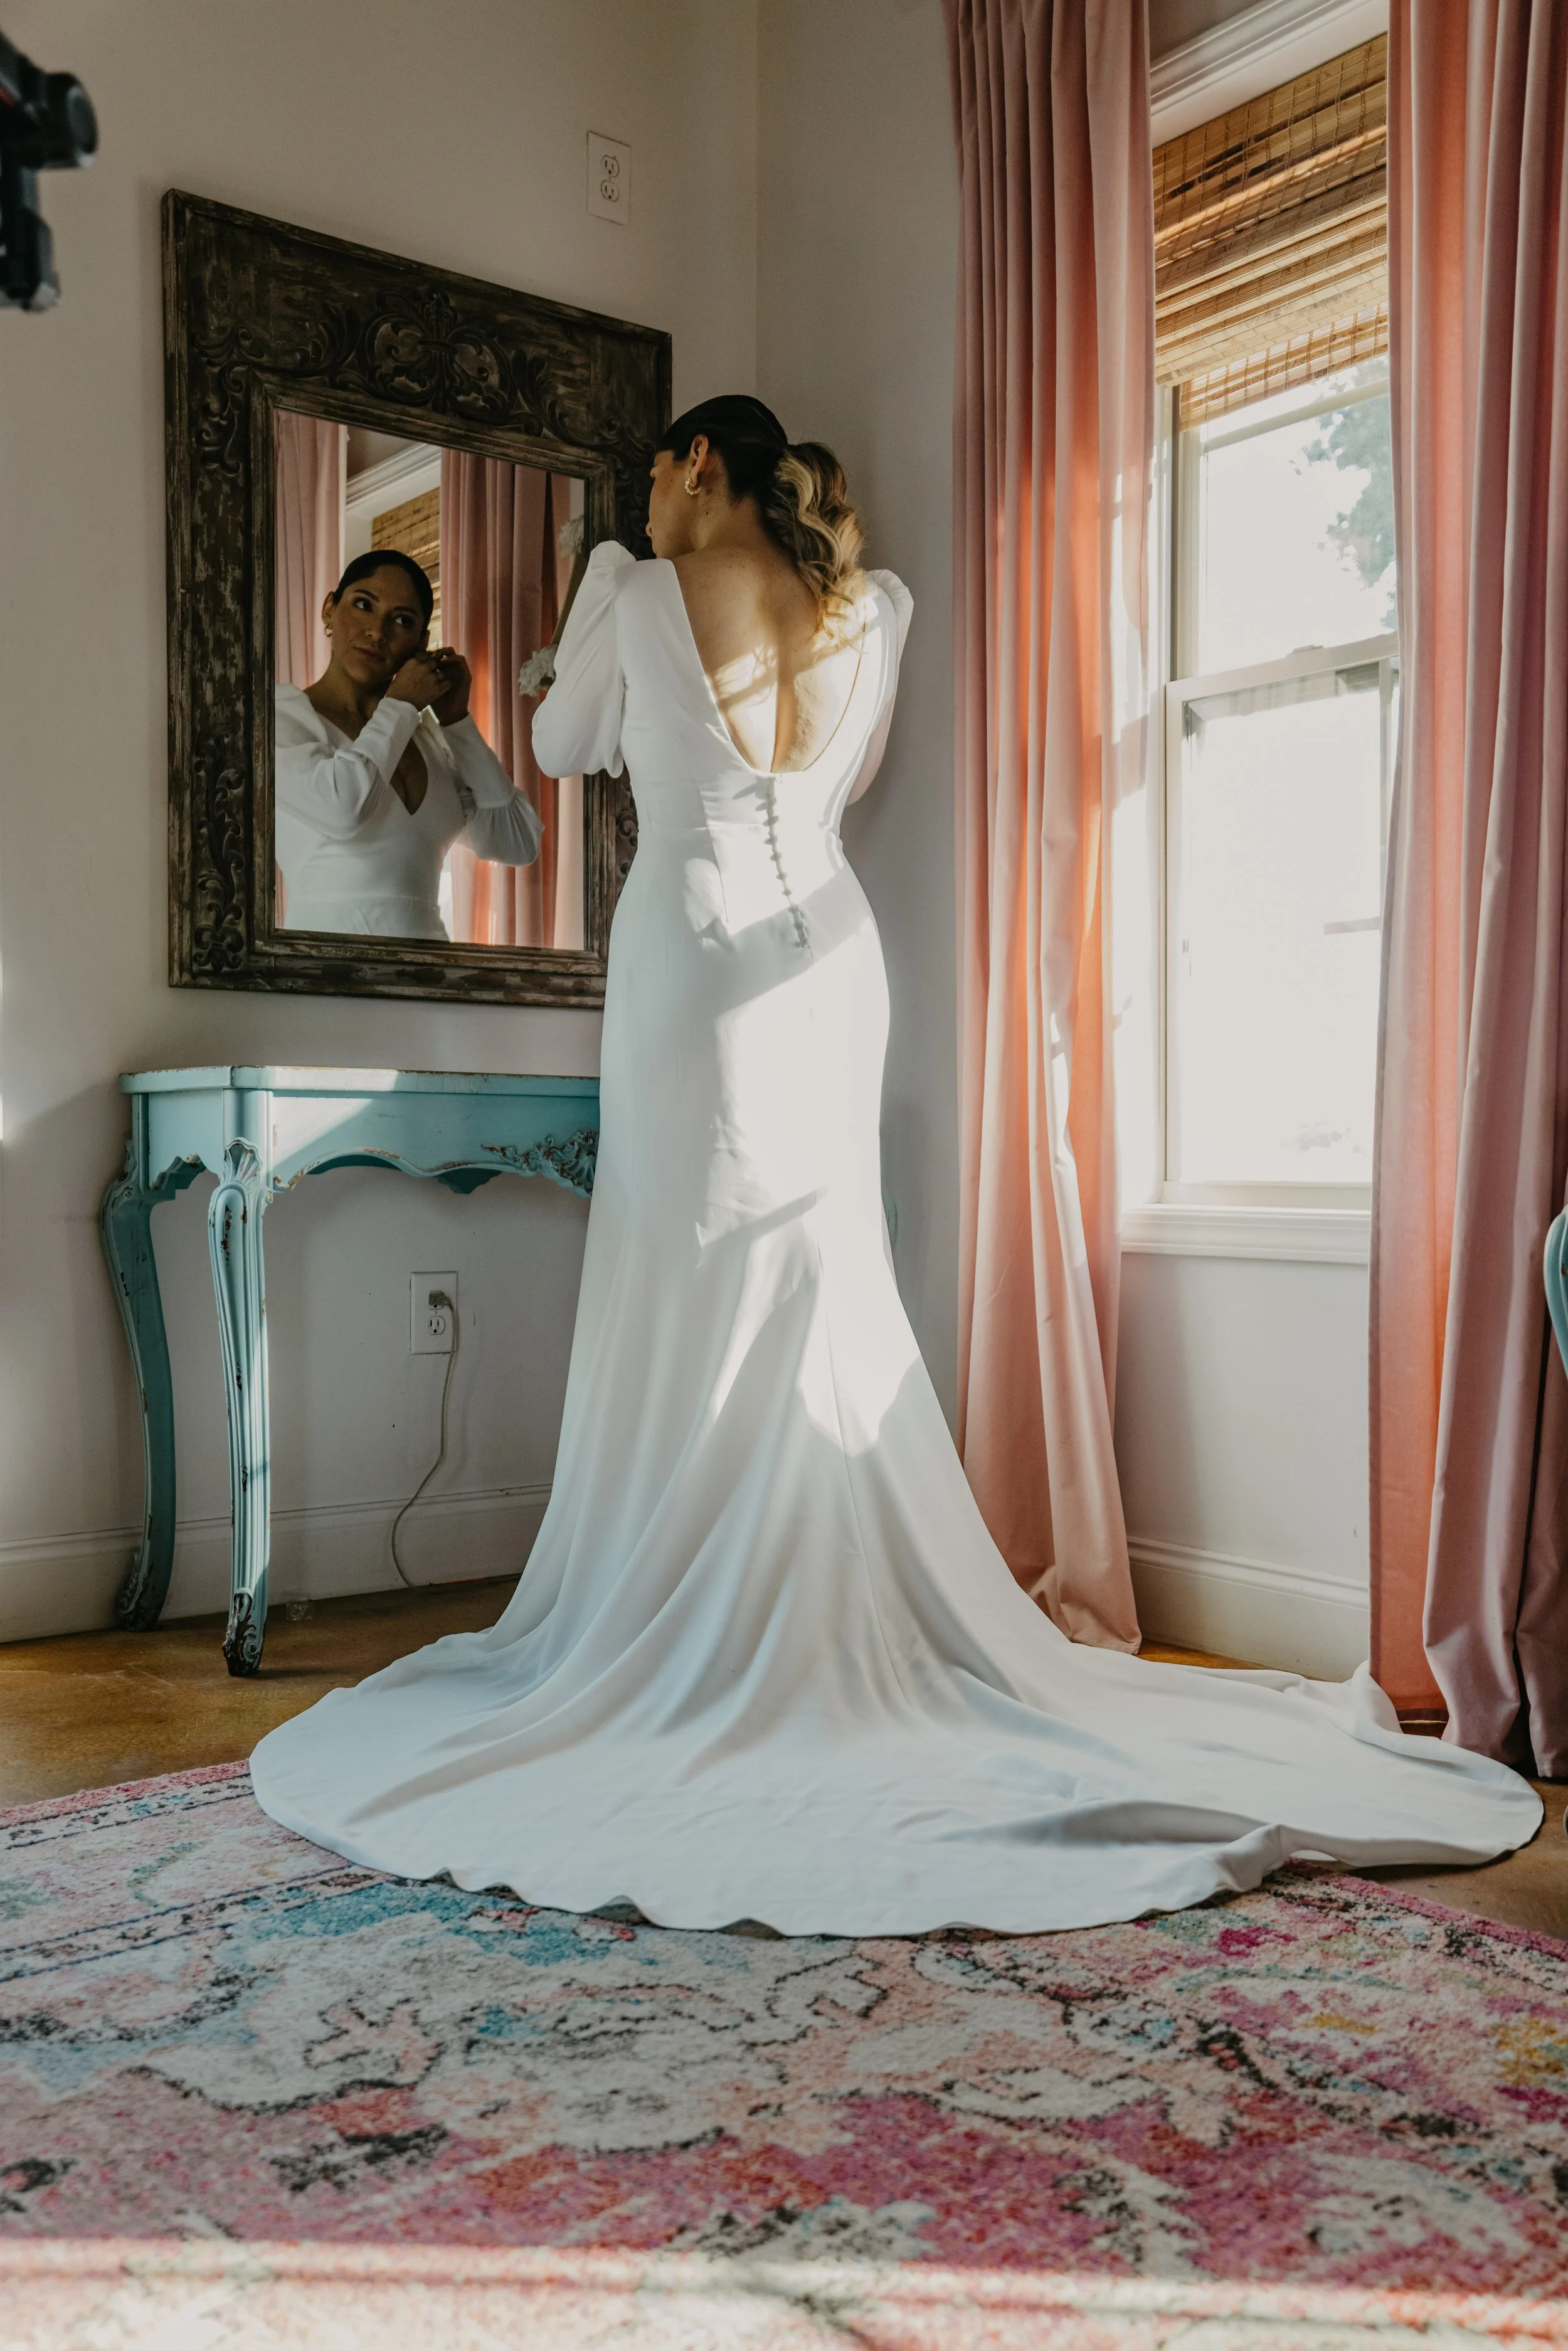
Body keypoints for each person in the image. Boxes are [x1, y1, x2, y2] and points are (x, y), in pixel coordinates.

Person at [250, 396, 1540, 1935]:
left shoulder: (635, 583)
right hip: (831, 964)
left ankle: (708, 1605)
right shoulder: (871, 612)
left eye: (658, 475)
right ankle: (815, 1577)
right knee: (816, 1276)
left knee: (695, 1271)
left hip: (702, 961)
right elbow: (838, 789)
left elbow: (566, 745)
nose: (647, 501)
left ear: (699, 468)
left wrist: (596, 628)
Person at [275, 550, 542, 939]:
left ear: (421, 641)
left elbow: (517, 842)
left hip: (430, 985)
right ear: (329, 609)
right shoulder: (279, 717)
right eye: (364, 605)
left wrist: (456, 721)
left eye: (402, 620)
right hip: (324, 985)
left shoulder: (429, 738)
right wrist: (400, 705)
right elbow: (343, 808)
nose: (377, 631)